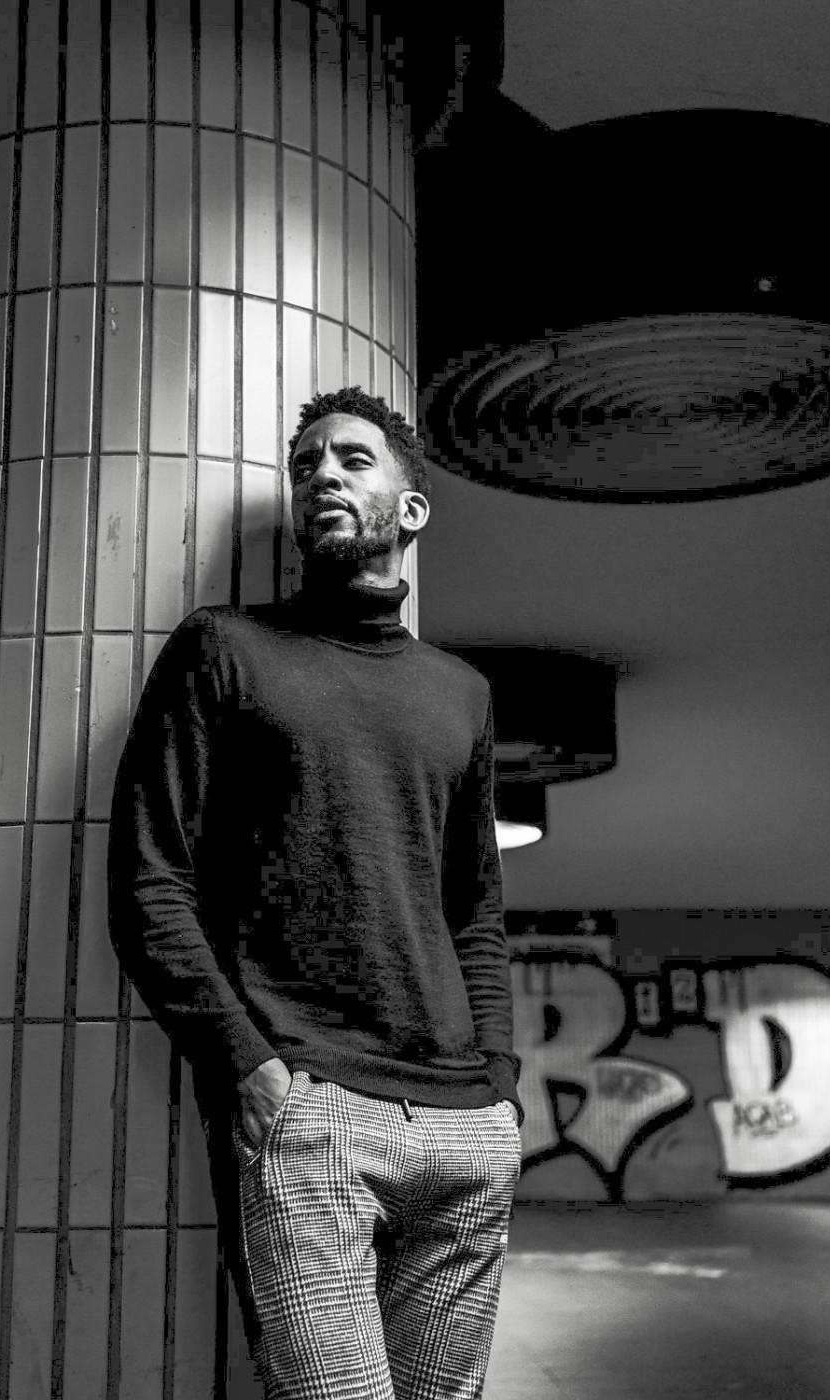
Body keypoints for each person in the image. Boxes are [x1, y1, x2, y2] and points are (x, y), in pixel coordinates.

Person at [108, 386, 524, 1399]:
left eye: (351, 459)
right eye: (305, 466)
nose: (321, 476)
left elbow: (473, 908)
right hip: (310, 1107)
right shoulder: (223, 648)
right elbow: (148, 878)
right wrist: (247, 1067)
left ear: (410, 509)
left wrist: (502, 1086)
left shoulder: (461, 692)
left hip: (465, 1123)